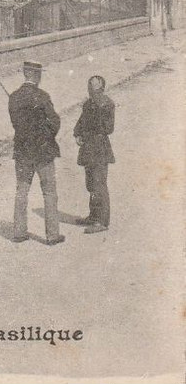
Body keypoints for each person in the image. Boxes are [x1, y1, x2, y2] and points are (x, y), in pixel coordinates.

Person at [8, 59, 65, 246]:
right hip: (43, 152)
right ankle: (52, 235)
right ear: (36, 75)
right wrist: (45, 135)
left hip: (23, 151)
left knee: (21, 191)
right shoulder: (42, 96)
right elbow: (55, 122)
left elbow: (16, 125)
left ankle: (19, 232)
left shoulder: (14, 97)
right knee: (49, 192)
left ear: (25, 74)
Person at [73, 74, 115, 234]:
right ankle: (93, 216)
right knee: (90, 183)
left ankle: (102, 221)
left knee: (99, 184)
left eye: (95, 86)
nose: (91, 89)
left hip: (99, 149)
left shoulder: (107, 104)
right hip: (88, 149)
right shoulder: (87, 104)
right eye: (89, 86)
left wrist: (88, 131)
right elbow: (81, 122)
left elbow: (109, 128)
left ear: (102, 88)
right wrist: (77, 133)